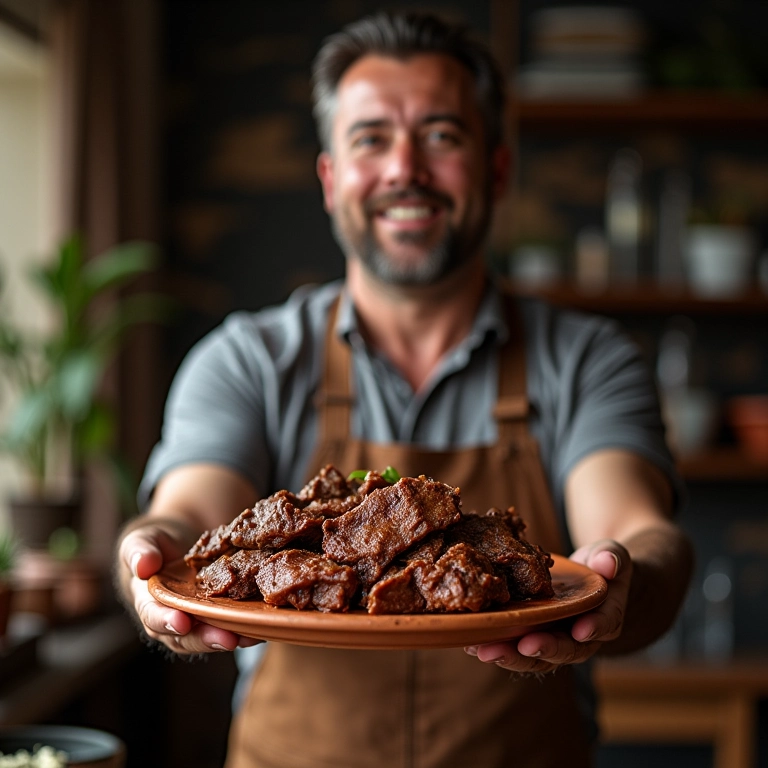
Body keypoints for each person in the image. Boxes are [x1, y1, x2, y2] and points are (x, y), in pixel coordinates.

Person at [116, 10, 694, 768]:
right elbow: (190, 515)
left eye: (442, 135)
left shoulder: (589, 360)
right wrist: (154, 556)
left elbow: (638, 529)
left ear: (496, 169)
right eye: (371, 139)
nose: (404, 169)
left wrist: (623, 580)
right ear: (330, 179)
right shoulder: (246, 360)